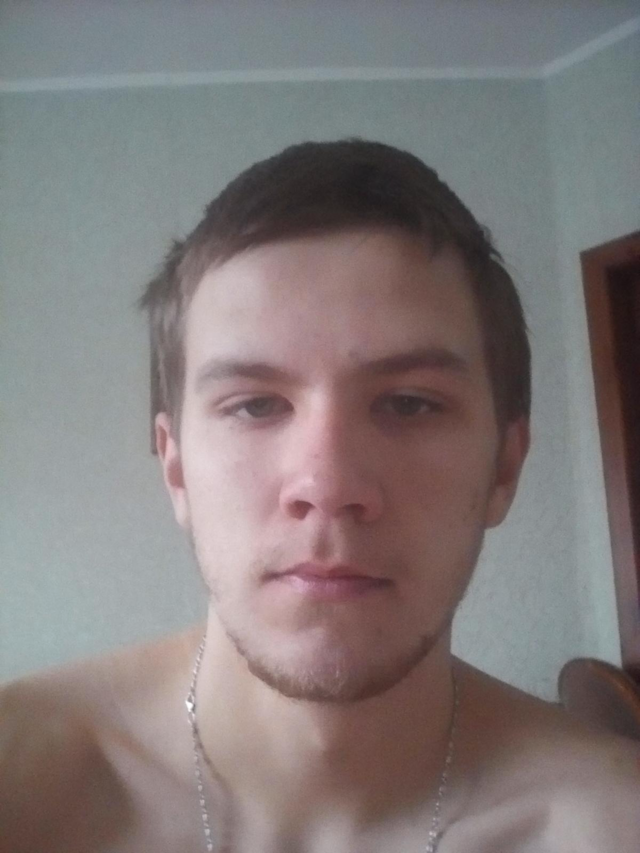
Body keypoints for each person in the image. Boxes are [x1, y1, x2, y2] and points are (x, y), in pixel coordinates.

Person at [1, 139, 639, 853]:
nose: (328, 487)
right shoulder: (21, 792)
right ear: (175, 469)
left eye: (409, 403)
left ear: (504, 469)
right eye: (254, 405)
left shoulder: (614, 822)